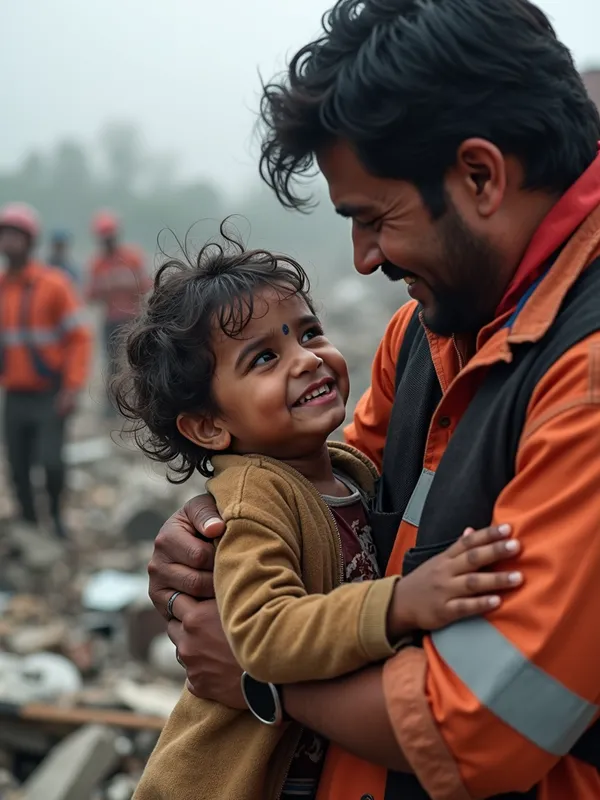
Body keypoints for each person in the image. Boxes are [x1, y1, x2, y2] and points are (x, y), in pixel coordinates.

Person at [146, 0, 600, 798]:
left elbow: (475, 728)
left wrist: (262, 680)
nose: (362, 259)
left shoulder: (585, 377)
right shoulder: (425, 335)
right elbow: (326, 490)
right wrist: (219, 525)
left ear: (480, 176)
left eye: (374, 218)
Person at [114, 230, 521, 800]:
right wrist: (401, 602)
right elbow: (261, 633)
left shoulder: (350, 472)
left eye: (309, 333)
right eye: (264, 358)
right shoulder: (259, 496)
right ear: (209, 426)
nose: (307, 360)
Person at [0, 203, 92, 537]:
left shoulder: (53, 285)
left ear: (30, 241)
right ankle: (28, 524)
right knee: (17, 467)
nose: (8, 242)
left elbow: (80, 338)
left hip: (49, 393)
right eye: (4, 234)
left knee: (52, 463)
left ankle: (55, 517)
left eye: (15, 235)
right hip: (14, 394)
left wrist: (72, 386)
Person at [87, 210, 150, 415]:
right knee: (112, 363)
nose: (108, 242)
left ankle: (140, 404)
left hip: (133, 318)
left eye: (110, 237)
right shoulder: (97, 264)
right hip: (111, 320)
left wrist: (122, 282)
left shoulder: (132, 257)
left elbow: (146, 284)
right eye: (104, 238)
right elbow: (89, 295)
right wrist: (106, 286)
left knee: (137, 361)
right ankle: (112, 407)